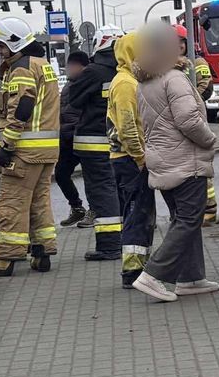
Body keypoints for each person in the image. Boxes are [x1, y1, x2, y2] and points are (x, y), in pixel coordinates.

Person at [131, 22, 219, 303]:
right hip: (185, 161)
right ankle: (154, 275)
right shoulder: (174, 78)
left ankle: (191, 278)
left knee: (183, 220)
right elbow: (188, 120)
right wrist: (210, 139)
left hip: (162, 161)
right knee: (190, 219)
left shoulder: (145, 81)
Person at [0, 17, 59, 275]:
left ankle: (6, 259)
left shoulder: (22, 69)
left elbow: (21, 109)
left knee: (12, 202)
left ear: (14, 44)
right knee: (39, 202)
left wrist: (8, 145)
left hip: (24, 150)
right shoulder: (42, 64)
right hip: (46, 150)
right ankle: (42, 252)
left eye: (2, 46)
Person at [69, 25, 123, 261]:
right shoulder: (126, 71)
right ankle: (127, 238)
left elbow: (74, 99)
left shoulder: (94, 72)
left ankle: (110, 245)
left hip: (93, 144)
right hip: (120, 142)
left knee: (102, 193)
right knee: (119, 190)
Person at [107, 32, 156, 289]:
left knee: (139, 212)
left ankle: (137, 266)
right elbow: (128, 126)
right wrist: (140, 157)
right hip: (130, 159)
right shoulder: (126, 83)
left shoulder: (129, 79)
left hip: (128, 158)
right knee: (137, 213)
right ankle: (133, 270)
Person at [175, 24, 217, 225]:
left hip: (195, 118)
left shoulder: (197, 62)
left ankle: (210, 210)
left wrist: (189, 102)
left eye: (180, 43)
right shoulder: (169, 64)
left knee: (201, 168)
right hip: (180, 122)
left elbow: (206, 87)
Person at [56, 51, 94, 227]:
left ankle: (95, 211)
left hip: (84, 137)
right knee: (61, 174)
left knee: (91, 178)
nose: (68, 69)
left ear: (83, 67)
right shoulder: (67, 87)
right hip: (66, 140)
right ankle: (77, 208)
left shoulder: (88, 84)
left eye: (72, 66)